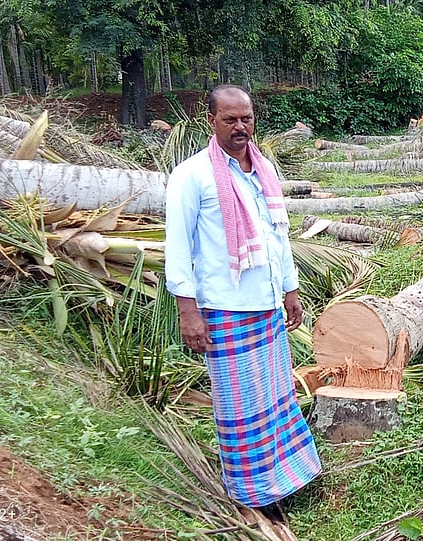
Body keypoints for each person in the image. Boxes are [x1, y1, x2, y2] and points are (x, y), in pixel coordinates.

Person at [164, 85, 321, 520]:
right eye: (230, 119)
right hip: (226, 309)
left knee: (274, 397)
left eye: (247, 118)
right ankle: (254, 495)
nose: (240, 127)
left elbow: (279, 236)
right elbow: (178, 247)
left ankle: (286, 477)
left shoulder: (264, 170)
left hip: (267, 305)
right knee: (240, 408)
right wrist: (187, 310)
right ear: (211, 121)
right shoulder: (192, 176)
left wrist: (289, 291)